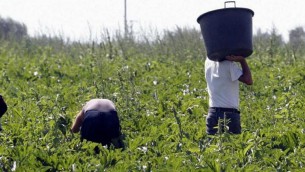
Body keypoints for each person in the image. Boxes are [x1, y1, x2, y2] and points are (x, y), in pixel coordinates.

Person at [205, 55, 253, 135]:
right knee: (233, 146)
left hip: (212, 113)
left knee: (213, 146)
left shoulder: (208, 61)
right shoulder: (228, 64)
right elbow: (248, 80)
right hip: (229, 115)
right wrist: (242, 60)